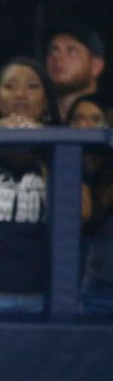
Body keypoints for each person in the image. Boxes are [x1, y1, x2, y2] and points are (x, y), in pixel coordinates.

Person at [0, 58, 87, 314]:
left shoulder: (60, 153)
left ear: (46, 101)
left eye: (32, 86)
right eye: (10, 86)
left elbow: (80, 213)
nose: (21, 94)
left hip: (45, 294)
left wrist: (44, 147)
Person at [69, 95, 113, 313]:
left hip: (105, 287)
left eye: (95, 119)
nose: (85, 126)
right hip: (67, 287)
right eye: (77, 119)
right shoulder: (57, 165)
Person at [45, 24, 105, 123]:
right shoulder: (37, 121)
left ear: (96, 66)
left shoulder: (109, 118)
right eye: (53, 51)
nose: (57, 58)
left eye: (72, 51)